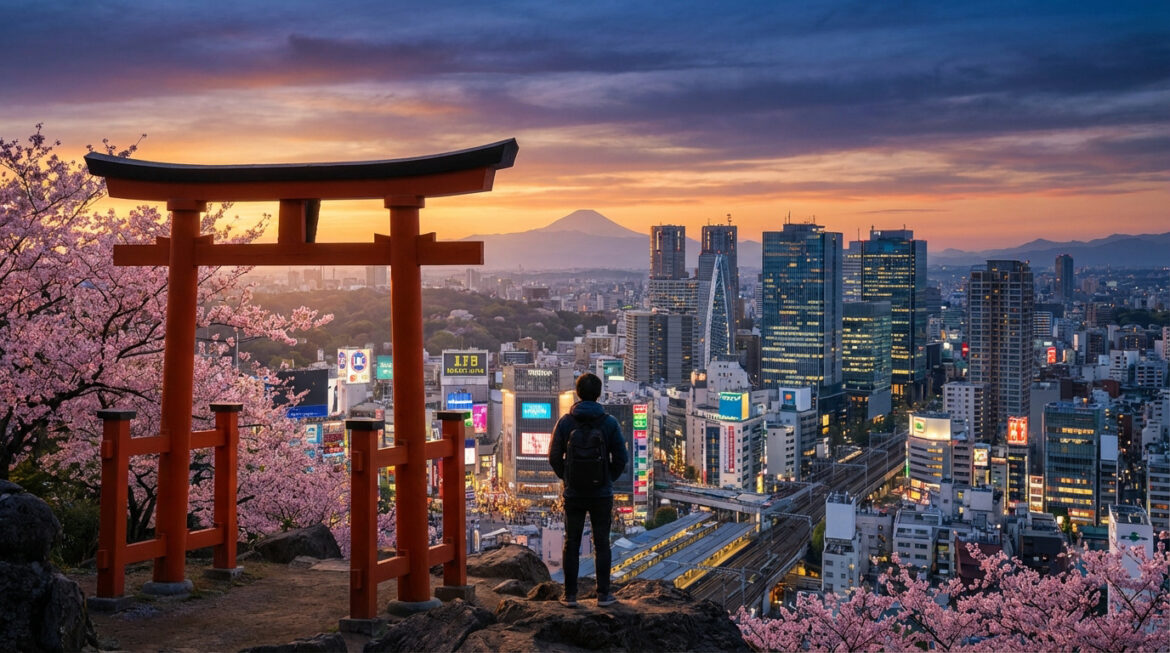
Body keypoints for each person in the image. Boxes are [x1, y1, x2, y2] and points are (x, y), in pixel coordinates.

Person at [548, 372, 628, 608]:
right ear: (599, 394)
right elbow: (621, 458)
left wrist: (568, 478)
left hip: (574, 494)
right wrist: (607, 478)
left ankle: (570, 595)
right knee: (602, 542)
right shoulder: (609, 423)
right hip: (601, 493)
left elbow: (553, 457)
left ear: (578, 393)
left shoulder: (565, 422)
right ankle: (603, 595)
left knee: (571, 541)